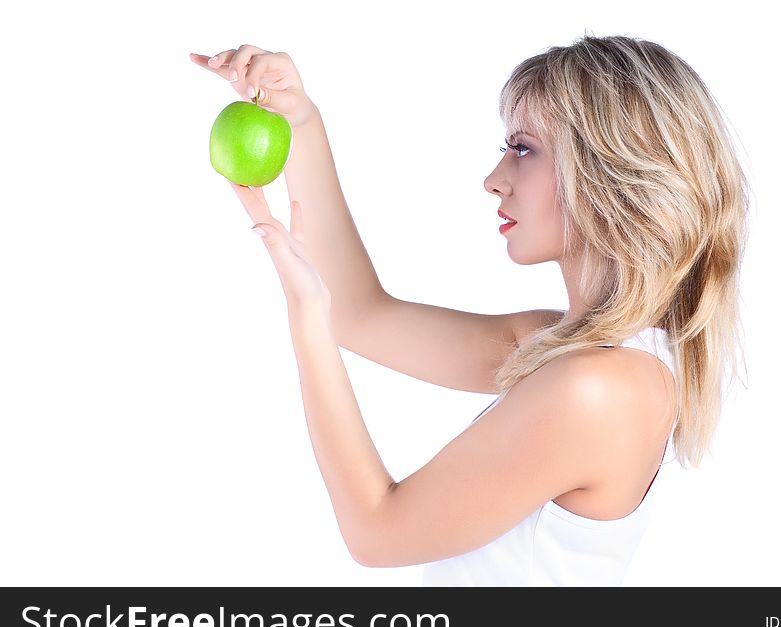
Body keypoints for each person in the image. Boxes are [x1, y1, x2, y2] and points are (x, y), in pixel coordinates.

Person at [189, 32, 749, 586]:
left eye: (523, 149)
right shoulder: (574, 353)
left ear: (610, 174)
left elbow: (377, 532)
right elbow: (360, 314)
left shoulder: (597, 387)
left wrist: (305, 319)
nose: (494, 179)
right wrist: (300, 122)